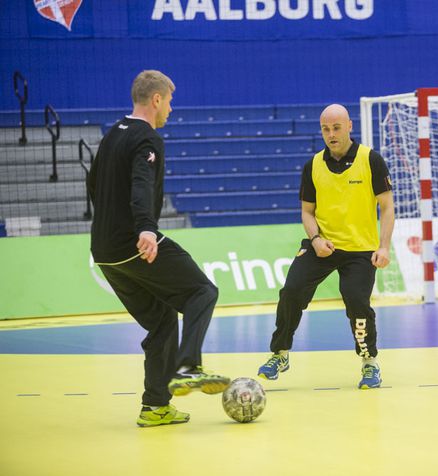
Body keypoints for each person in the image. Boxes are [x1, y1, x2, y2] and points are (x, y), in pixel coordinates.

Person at [87, 70, 230, 427]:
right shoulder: (147, 139)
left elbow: (93, 184)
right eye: (169, 100)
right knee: (202, 291)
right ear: (156, 99)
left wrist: (111, 223)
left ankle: (155, 407)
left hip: (104, 250)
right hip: (134, 243)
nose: (170, 108)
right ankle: (188, 367)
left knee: (164, 320)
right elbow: (141, 185)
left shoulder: (112, 134)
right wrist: (147, 229)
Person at [256, 104, 395, 389]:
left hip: (360, 249)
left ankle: (369, 362)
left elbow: (387, 207)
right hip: (323, 245)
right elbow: (307, 211)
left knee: (356, 301)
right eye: (325, 129)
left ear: (349, 127)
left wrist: (384, 247)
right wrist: (316, 239)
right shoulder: (313, 165)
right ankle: (279, 354)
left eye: (336, 128)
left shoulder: (371, 160)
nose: (331, 134)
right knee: (292, 290)